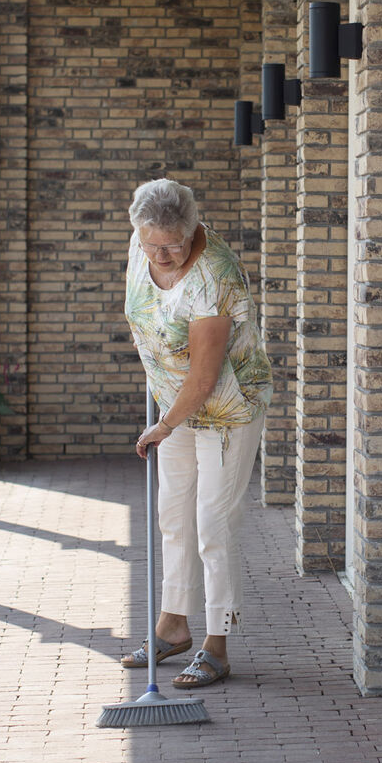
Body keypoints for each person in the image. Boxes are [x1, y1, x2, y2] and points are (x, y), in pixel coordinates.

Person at [120, 178, 272, 688]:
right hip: (174, 404)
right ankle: (173, 625)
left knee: (212, 524)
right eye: (151, 244)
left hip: (226, 406)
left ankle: (217, 642)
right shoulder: (142, 243)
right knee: (172, 517)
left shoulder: (215, 275)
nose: (161, 254)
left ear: (192, 231)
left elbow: (205, 377)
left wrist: (162, 426)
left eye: (172, 244)